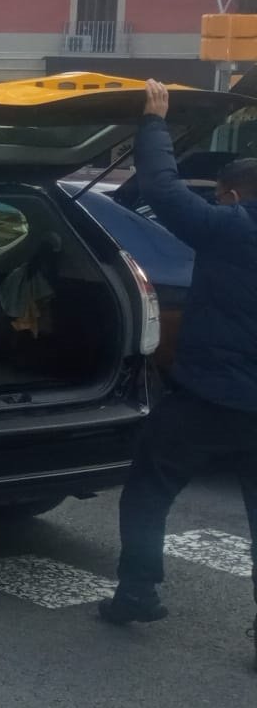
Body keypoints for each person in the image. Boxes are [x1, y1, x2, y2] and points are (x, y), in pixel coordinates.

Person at [99, 79, 257, 668]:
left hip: (207, 398)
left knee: (149, 488)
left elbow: (162, 190)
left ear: (232, 194)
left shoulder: (231, 228)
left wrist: (154, 121)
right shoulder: (233, 223)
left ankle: (137, 592)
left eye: (218, 196)